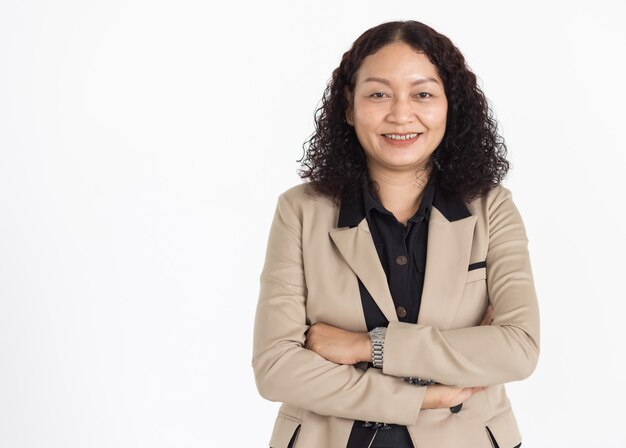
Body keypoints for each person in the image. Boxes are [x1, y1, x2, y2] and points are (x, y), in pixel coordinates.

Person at [252, 20, 540, 448]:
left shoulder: (491, 207)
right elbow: (276, 368)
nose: (401, 114)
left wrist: (367, 347)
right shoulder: (300, 210)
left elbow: (518, 348)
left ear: (450, 106)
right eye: (378, 94)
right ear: (349, 107)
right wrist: (417, 397)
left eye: (423, 94)